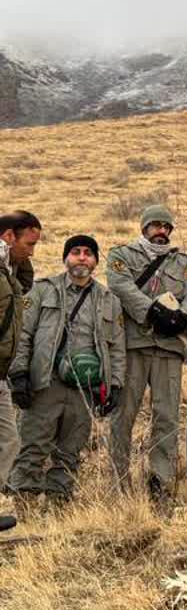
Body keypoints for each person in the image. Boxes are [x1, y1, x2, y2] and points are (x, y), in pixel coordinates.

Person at [7, 235, 124, 513]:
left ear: (95, 261)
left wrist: (115, 384)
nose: (82, 257)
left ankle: (59, 507)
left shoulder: (109, 300)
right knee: (33, 446)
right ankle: (25, 508)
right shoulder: (42, 291)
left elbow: (117, 347)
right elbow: (22, 334)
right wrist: (20, 373)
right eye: (75, 252)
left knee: (70, 452)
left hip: (85, 388)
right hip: (45, 383)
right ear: (65, 258)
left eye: (88, 253)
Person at [106, 204, 187, 500]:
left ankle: (160, 480)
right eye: (155, 225)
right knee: (123, 416)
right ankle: (118, 482)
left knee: (167, 416)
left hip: (169, 348)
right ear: (144, 227)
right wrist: (152, 312)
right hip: (133, 345)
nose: (161, 231)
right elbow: (120, 285)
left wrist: (183, 318)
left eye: (166, 227)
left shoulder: (183, 261)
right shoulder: (121, 255)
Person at [0, 211, 42, 501]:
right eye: (29, 243)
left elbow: (23, 287)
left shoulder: (9, 269)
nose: (32, 251)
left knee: (9, 441)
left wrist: (16, 257)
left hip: (0, 371)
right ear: (8, 236)